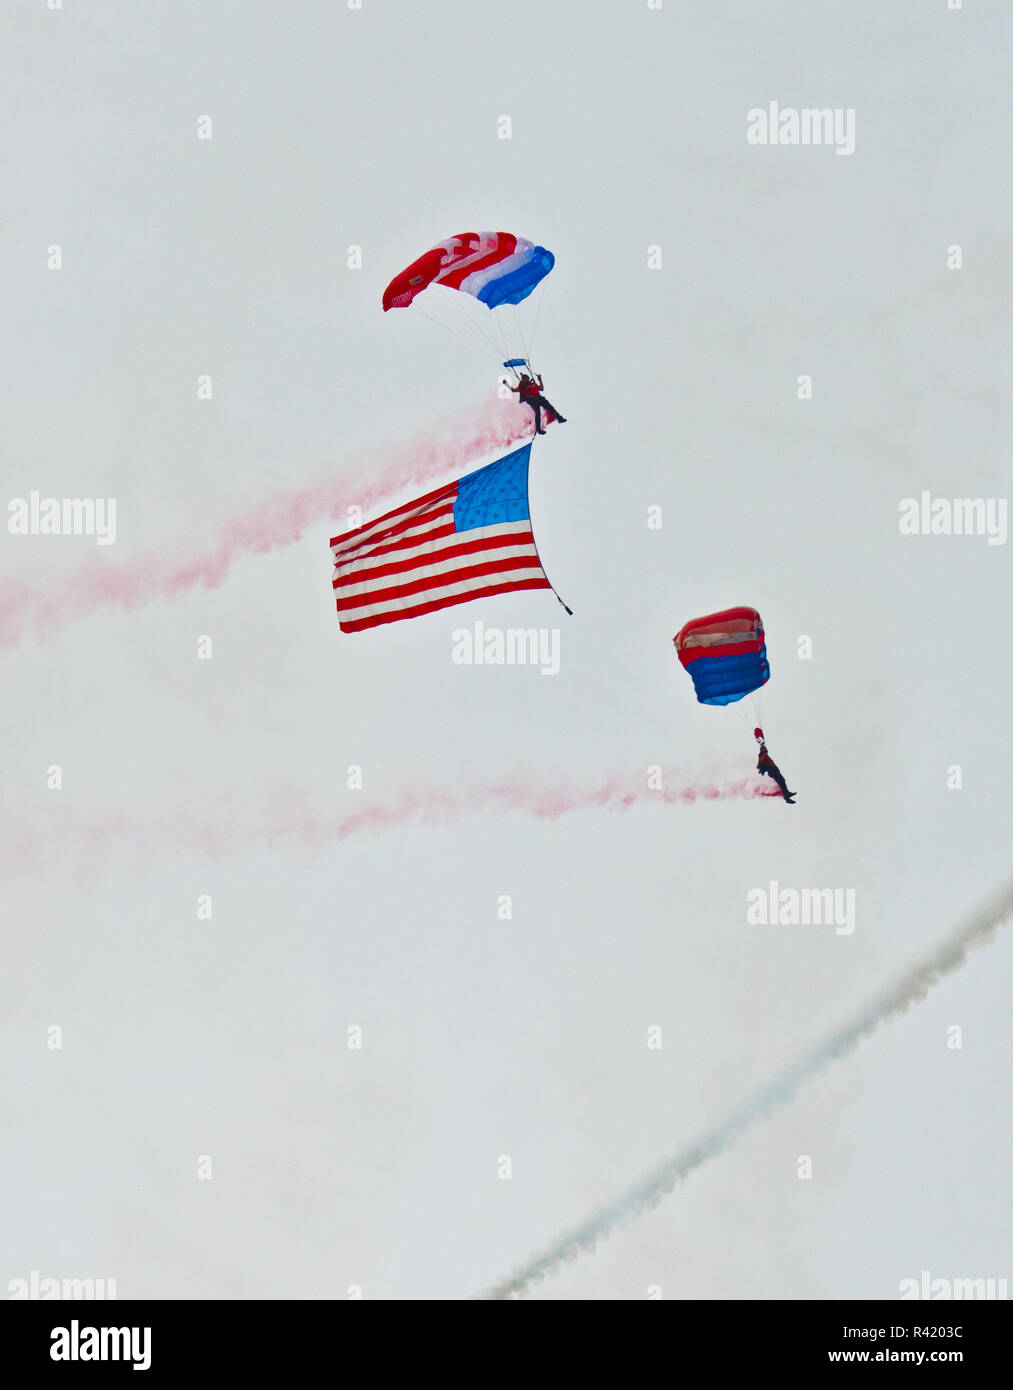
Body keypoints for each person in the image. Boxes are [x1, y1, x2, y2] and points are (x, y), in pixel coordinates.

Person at [756, 735, 796, 804]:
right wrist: (762, 768)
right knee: (781, 781)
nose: (765, 749)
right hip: (772, 771)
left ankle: (787, 794)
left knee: (782, 781)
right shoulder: (762, 755)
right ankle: (787, 797)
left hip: (773, 770)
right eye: (764, 749)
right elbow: (760, 764)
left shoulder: (764, 755)